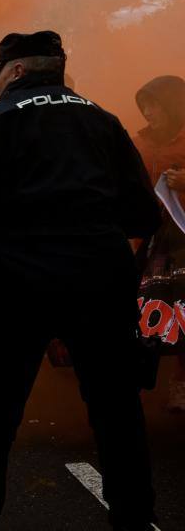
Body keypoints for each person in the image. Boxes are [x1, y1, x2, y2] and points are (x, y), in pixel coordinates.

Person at [0, 30, 160, 531]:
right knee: (118, 415)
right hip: (101, 283)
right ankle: (134, 521)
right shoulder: (103, 120)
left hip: (18, 288)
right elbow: (144, 214)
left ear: (14, 71)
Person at [132, 75, 185, 412]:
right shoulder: (138, 144)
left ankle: (180, 383)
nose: (147, 112)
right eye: (143, 106)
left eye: (153, 104)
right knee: (154, 314)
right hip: (153, 244)